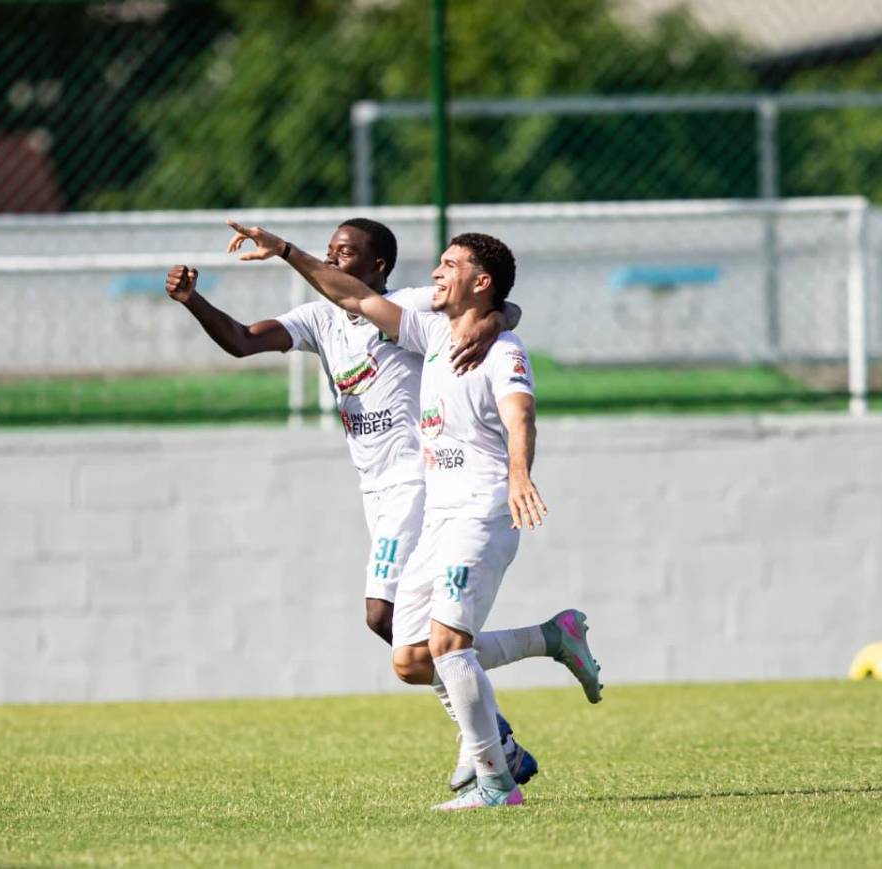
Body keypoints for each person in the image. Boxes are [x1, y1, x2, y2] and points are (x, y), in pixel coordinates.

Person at [226, 220, 603, 810]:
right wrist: (283, 253)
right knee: (409, 658)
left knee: (445, 642)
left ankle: (495, 777)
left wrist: (520, 471)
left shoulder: (497, 345)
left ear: (477, 283)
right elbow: (343, 299)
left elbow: (520, 413)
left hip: (468, 508)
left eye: (448, 266)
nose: (435, 273)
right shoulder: (429, 331)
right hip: (430, 514)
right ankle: (550, 640)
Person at [165, 218, 539, 793]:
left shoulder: (413, 302)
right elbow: (243, 341)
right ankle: (516, 691)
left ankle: (491, 744)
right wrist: (194, 302)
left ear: (378, 267)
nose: (335, 258)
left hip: (420, 482)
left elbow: (497, 307)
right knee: (406, 637)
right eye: (331, 250)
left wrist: (492, 320)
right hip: (376, 489)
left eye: (347, 252)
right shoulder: (319, 318)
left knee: (386, 619)